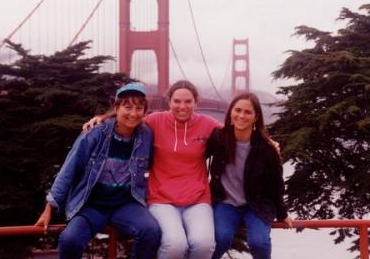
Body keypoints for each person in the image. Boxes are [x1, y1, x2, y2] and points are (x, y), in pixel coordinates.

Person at [84, 80, 219, 259]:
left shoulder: (208, 124)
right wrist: (103, 119)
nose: (182, 106)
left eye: (188, 101)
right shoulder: (156, 120)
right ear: (169, 101)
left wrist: (268, 141)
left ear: (196, 102)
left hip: (198, 200)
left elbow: (238, 132)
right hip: (162, 200)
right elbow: (129, 118)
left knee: (205, 245)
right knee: (174, 245)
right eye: (177, 101)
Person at [35, 83, 161, 259]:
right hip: (92, 206)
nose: (133, 113)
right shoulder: (95, 133)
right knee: (69, 240)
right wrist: (49, 208)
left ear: (145, 112)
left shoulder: (146, 135)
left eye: (139, 108)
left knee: (151, 231)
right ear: (116, 107)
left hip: (126, 204)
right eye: (127, 107)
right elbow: (69, 169)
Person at [206, 92, 293, 259]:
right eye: (237, 110)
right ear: (231, 112)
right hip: (225, 202)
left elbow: (276, 184)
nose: (241, 116)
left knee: (259, 243)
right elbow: (193, 157)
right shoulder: (218, 138)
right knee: (220, 238)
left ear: (256, 117)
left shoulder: (267, 149)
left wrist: (282, 213)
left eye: (247, 112)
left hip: (257, 204)